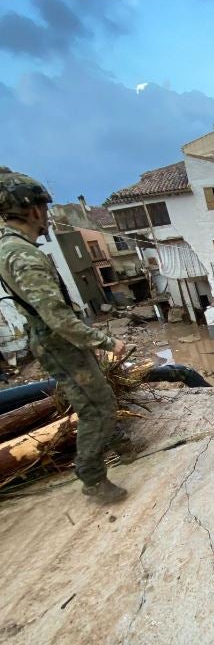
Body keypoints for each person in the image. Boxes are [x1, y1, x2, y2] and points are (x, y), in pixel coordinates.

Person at [0, 166, 130, 504]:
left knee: (99, 397)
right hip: (59, 341)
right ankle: (93, 479)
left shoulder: (11, 247)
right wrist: (107, 342)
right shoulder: (21, 254)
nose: (46, 216)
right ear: (32, 210)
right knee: (96, 408)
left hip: (57, 341)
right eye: (44, 209)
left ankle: (121, 444)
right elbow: (55, 317)